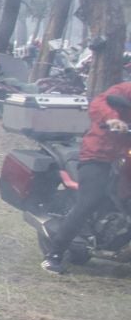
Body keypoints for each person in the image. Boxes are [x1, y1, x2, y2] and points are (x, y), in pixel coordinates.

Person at [40, 78, 131, 274]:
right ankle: (54, 254)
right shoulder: (124, 90)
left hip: (126, 155)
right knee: (90, 200)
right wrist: (112, 119)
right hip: (101, 153)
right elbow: (100, 102)